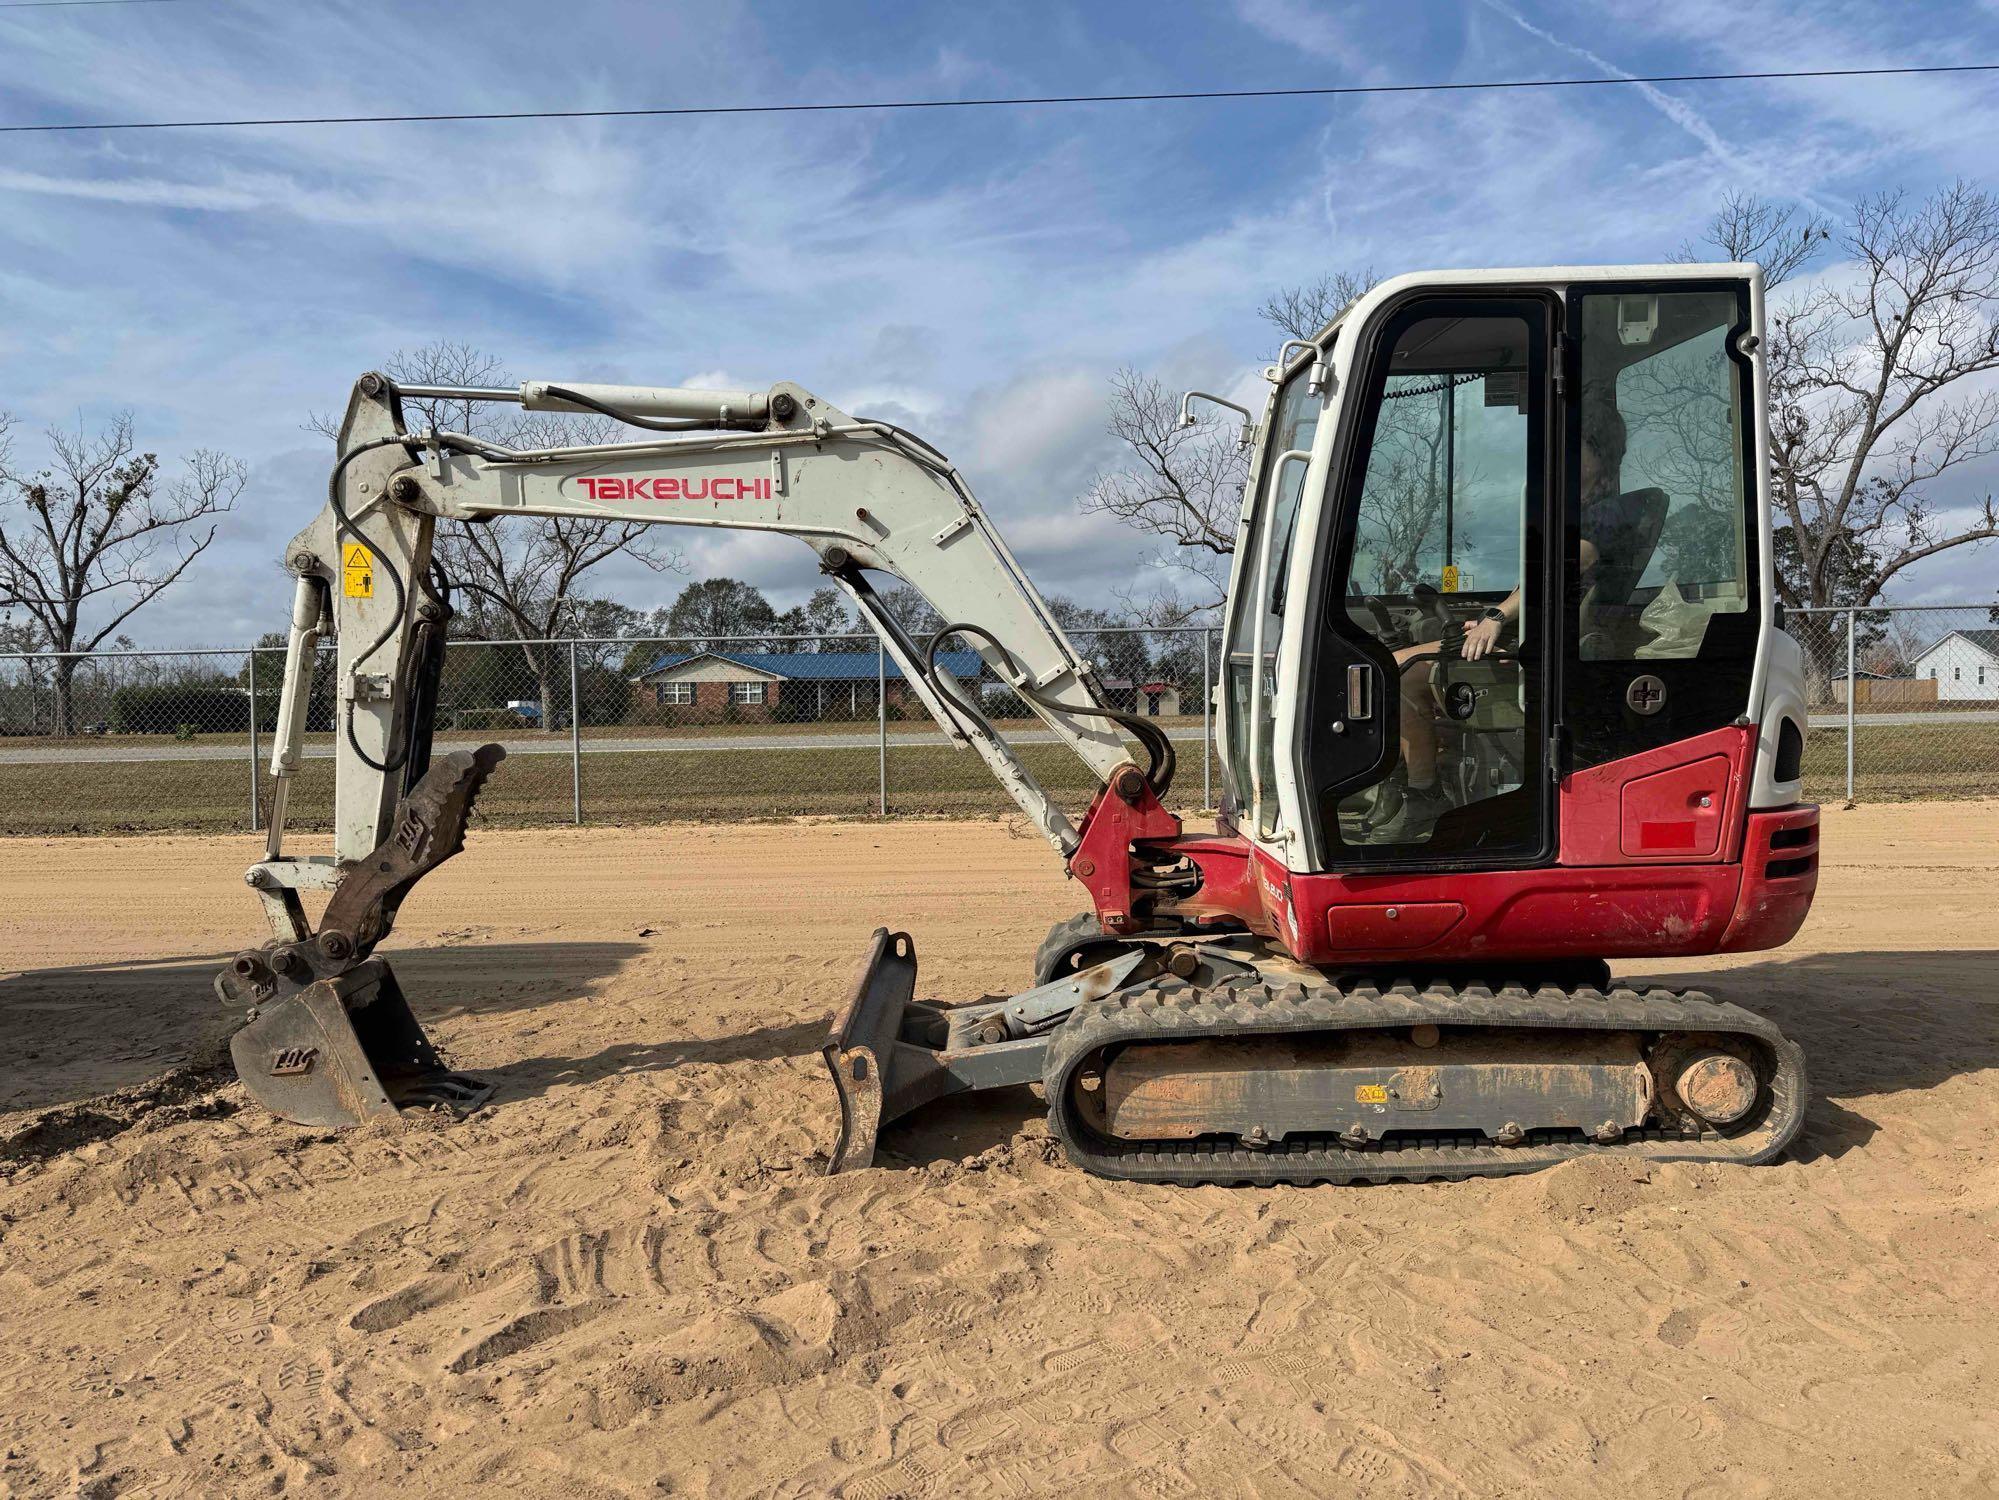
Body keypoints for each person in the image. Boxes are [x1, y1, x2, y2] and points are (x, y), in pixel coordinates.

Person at [1376, 394, 1627, 839]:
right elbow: (1534, 582)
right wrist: (1497, 619)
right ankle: (1405, 786)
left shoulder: (1605, 514)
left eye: (1575, 447)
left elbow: (1564, 569)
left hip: (1550, 647)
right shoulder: (1574, 511)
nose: (1564, 458)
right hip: (1529, 631)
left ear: (1598, 455)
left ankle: (1422, 794)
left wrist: (1497, 617)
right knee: (1393, 664)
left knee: (1400, 671)